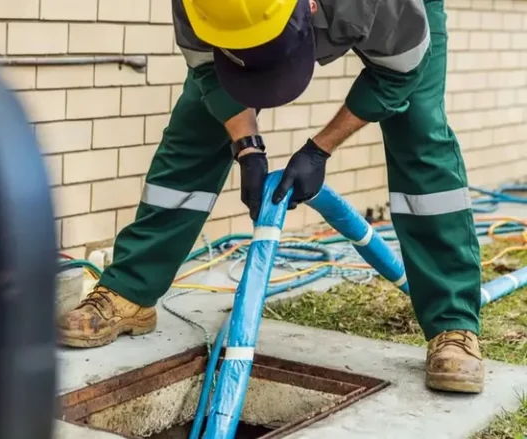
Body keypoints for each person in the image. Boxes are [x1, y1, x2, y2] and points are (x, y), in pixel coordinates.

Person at [59, 0, 485, 394]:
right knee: (198, 122)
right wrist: (246, 147)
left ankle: (453, 324)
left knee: (419, 130)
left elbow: (399, 73)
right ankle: (130, 289)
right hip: (245, 18)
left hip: (389, 14)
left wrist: (320, 149)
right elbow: (207, 67)